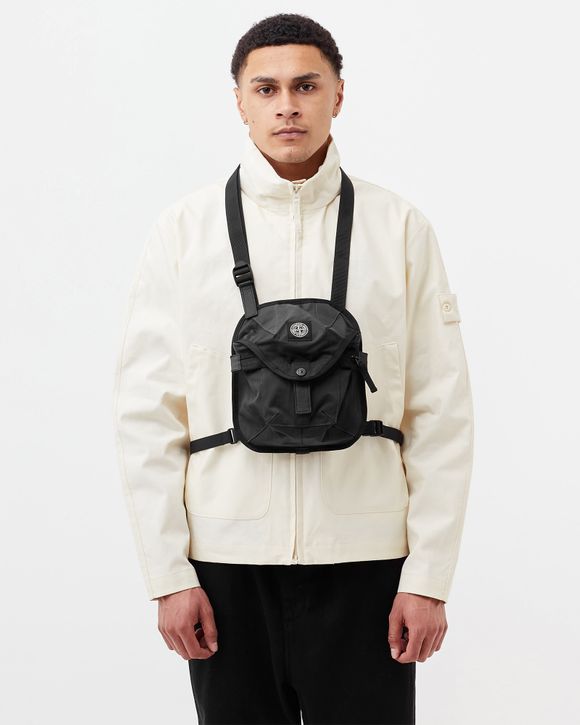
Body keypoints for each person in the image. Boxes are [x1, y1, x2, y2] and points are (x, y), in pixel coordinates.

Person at [112, 12, 474, 725]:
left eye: (306, 86)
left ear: (338, 94)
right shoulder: (184, 233)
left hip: (368, 561)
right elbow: (147, 414)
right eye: (266, 88)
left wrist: (428, 576)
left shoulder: (399, 228)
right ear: (239, 102)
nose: (287, 105)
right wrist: (168, 574)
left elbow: (441, 411)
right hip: (225, 566)